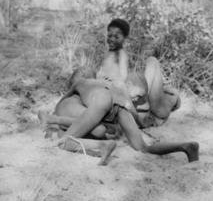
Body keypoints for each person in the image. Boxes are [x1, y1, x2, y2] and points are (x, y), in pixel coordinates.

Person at [40, 68, 199, 165]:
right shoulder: (106, 83)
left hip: (102, 101)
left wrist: (55, 117)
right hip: (120, 104)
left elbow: (60, 103)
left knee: (63, 142)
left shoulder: (80, 84)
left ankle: (102, 146)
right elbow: (130, 108)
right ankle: (185, 146)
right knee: (143, 148)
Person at [97, 18, 181, 128]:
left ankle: (174, 96)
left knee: (152, 61)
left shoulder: (121, 55)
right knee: (151, 64)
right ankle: (168, 92)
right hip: (132, 97)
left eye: (117, 37)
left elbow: (122, 79)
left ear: (124, 39)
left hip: (137, 97)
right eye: (109, 35)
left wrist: (111, 81)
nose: (112, 39)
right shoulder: (108, 54)